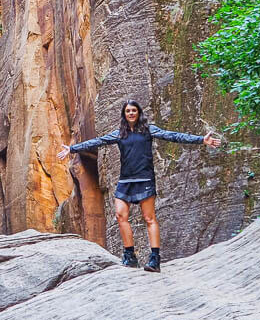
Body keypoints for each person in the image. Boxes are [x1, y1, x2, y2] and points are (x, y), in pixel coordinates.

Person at [57, 99, 221, 273]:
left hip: (144, 179)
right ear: (124, 114)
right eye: (128, 111)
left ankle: (155, 258)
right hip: (125, 180)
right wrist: (72, 149)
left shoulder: (148, 130)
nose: (131, 113)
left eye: (134, 110)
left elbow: (172, 135)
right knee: (120, 215)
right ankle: (130, 255)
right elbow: (98, 141)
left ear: (139, 112)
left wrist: (201, 140)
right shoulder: (119, 133)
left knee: (149, 218)